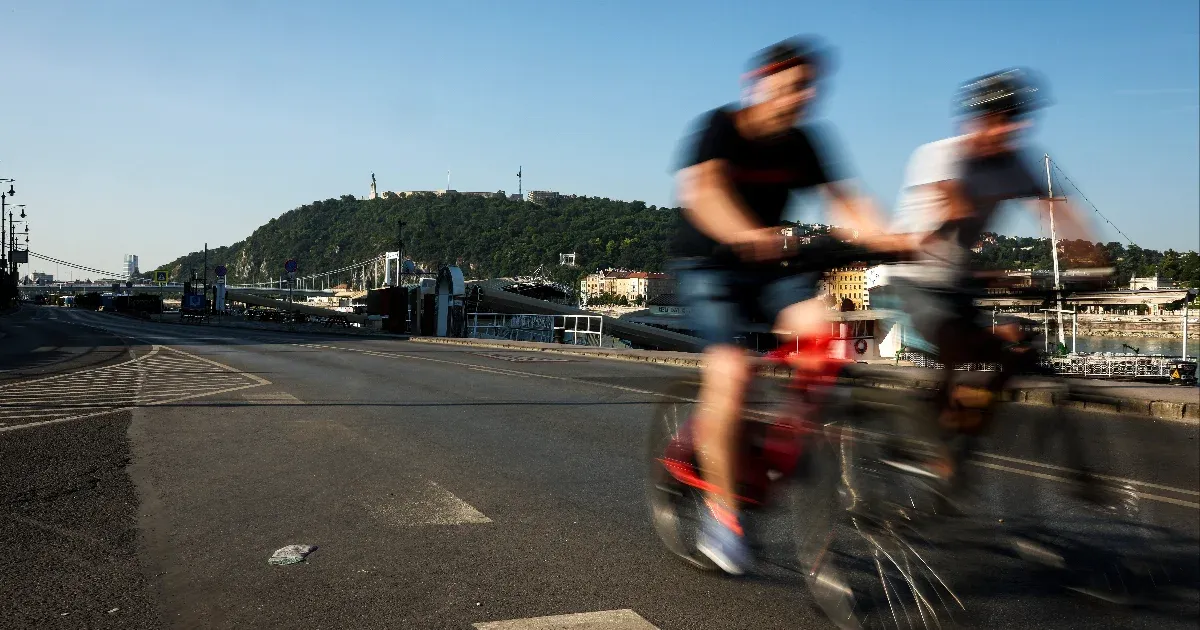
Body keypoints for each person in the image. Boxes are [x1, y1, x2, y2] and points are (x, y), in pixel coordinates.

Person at [670, 36, 905, 575]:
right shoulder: (720, 128)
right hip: (708, 264)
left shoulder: (804, 143)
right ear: (760, 85)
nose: (801, 96)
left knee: (829, 333)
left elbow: (847, 200)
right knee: (731, 370)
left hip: (769, 268)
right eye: (791, 86)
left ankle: (788, 439)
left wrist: (888, 237)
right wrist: (746, 233)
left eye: (808, 87)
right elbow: (704, 192)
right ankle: (722, 518)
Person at [885, 68, 1099, 484]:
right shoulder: (942, 156)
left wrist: (1094, 263)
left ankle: (949, 425)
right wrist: (957, 211)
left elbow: (1057, 209)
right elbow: (944, 201)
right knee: (963, 346)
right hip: (917, 273)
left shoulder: (1015, 163)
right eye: (998, 119)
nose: (1008, 128)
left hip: (959, 277)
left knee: (1009, 354)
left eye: (1015, 118)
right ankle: (935, 445)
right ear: (976, 122)